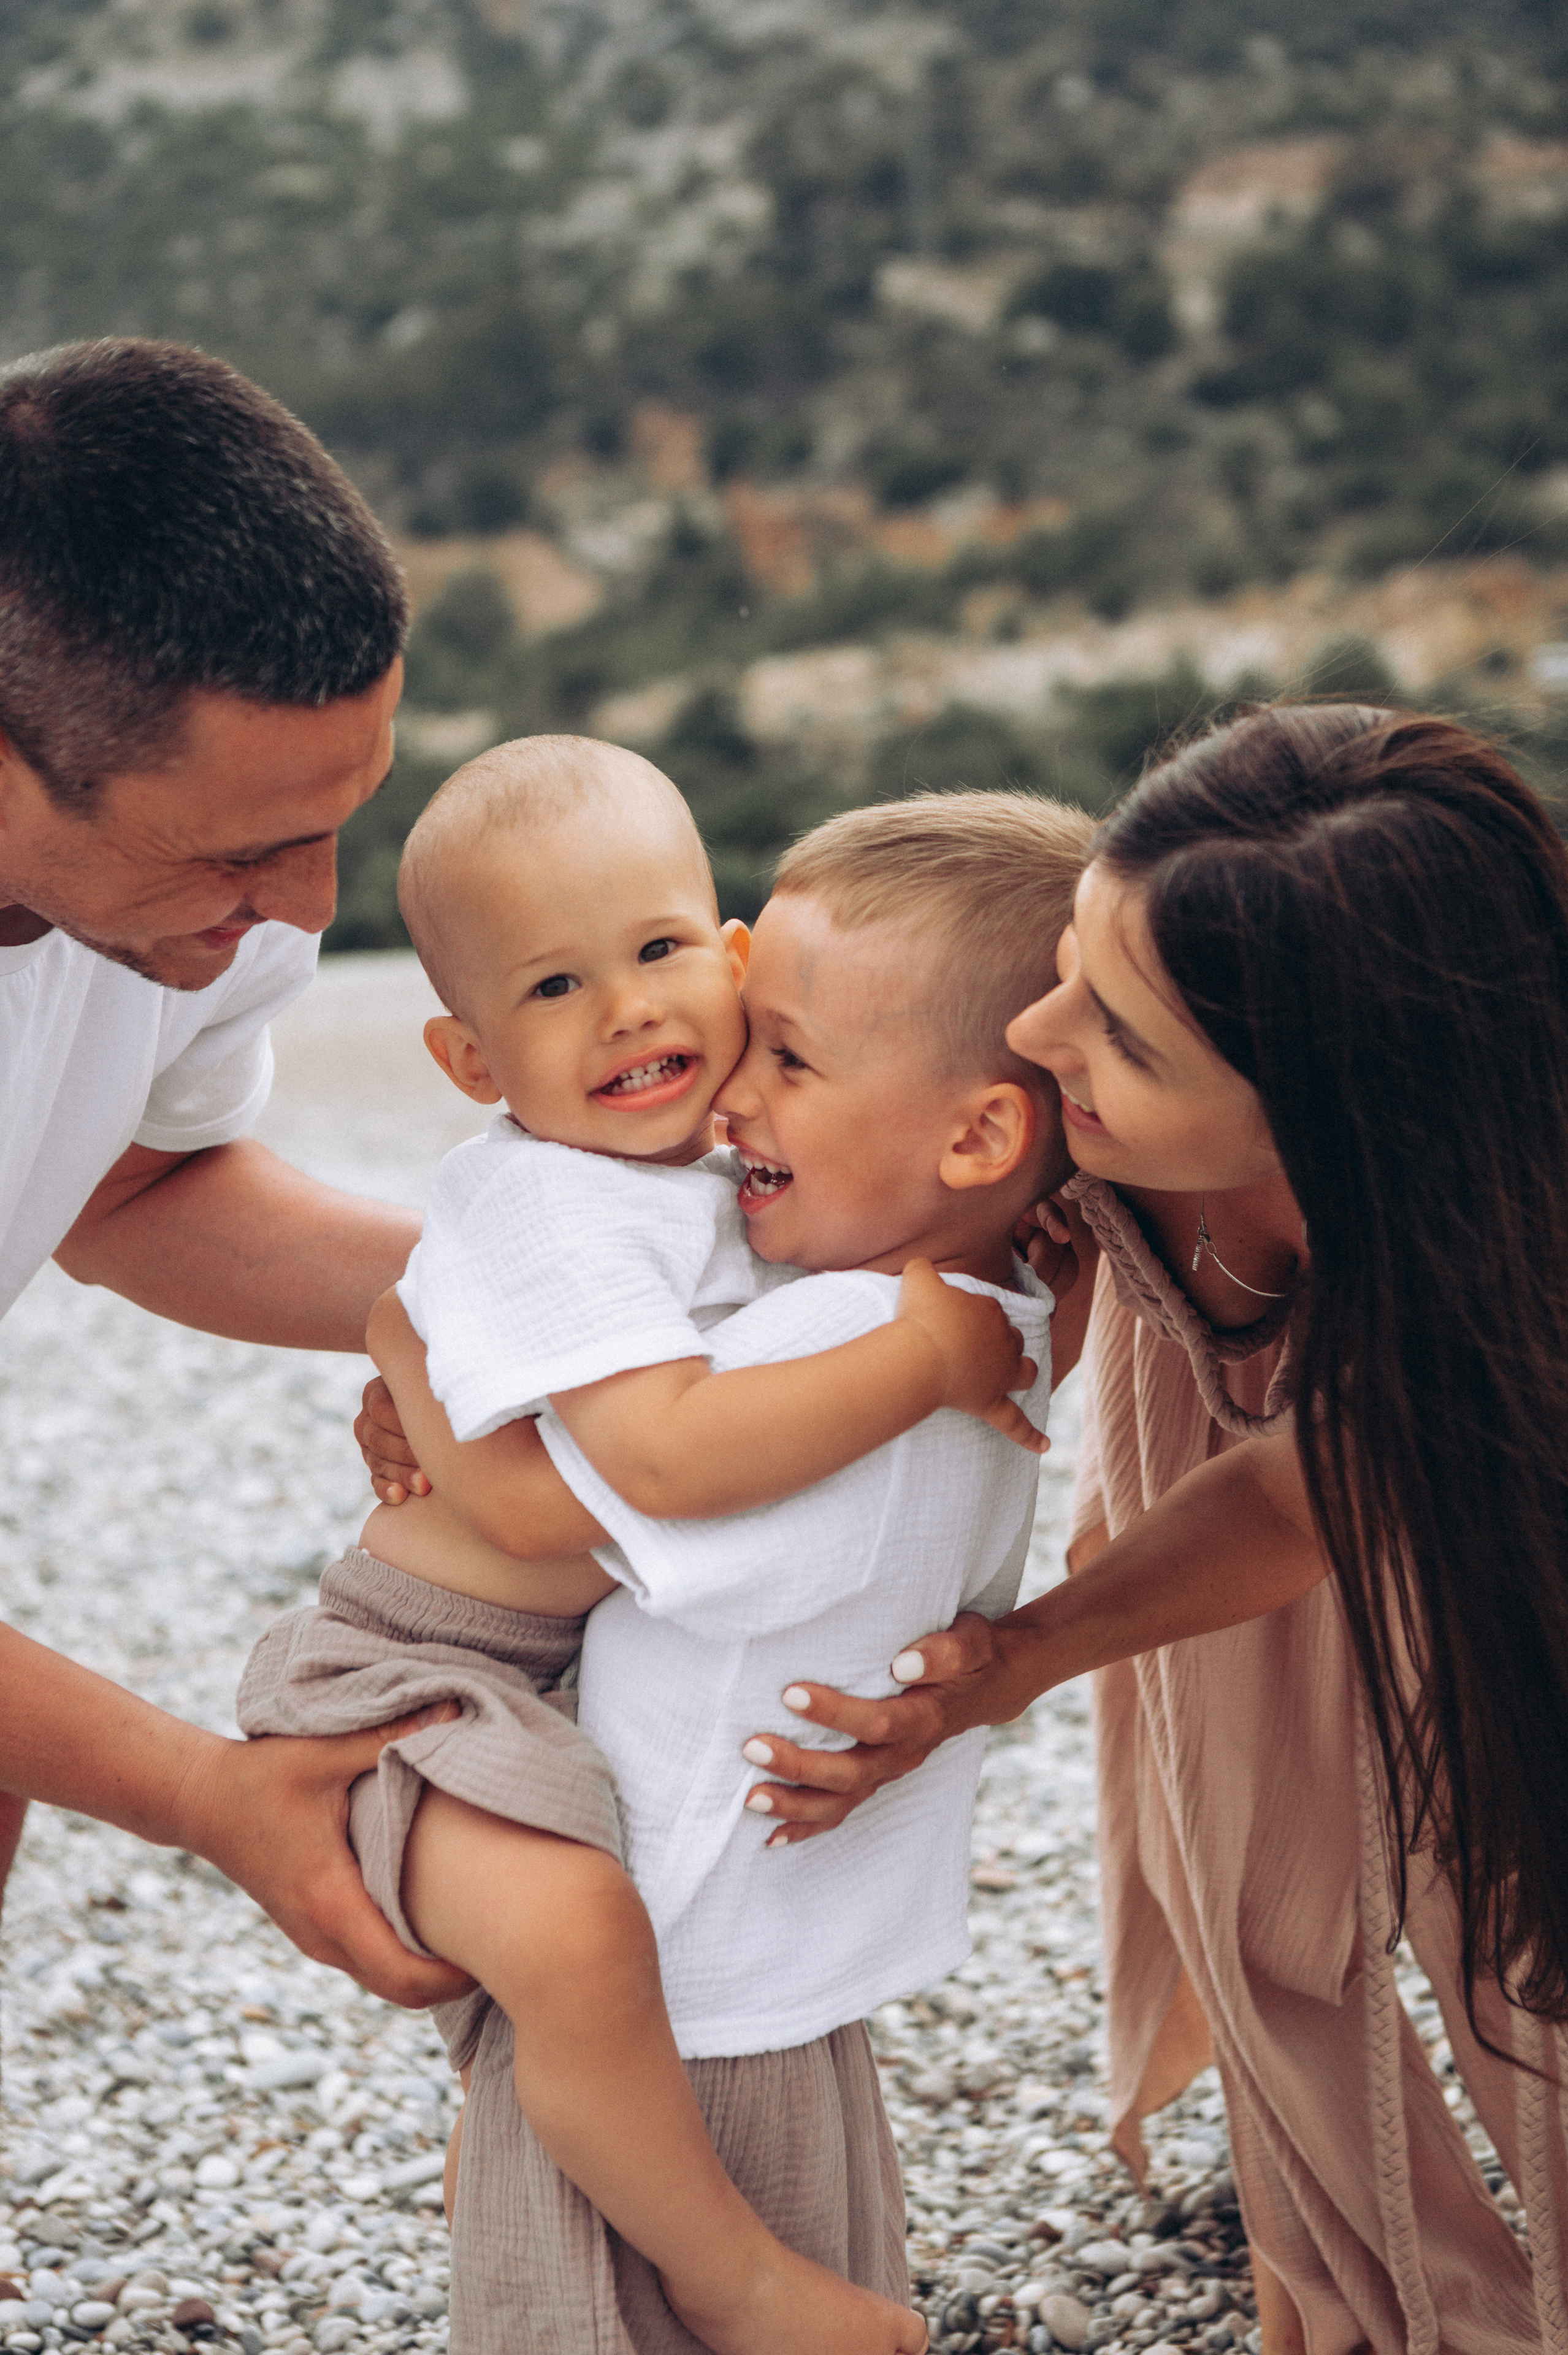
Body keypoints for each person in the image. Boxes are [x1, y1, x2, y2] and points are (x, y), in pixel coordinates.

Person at [735, 705, 1568, 2353]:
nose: (1038, 1033)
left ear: (1321, 1120)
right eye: (1070, 961)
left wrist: (1018, 1657)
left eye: (1115, 1033)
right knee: (1241, 1851)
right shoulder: (1068, 1129)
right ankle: (1325, 2273)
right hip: (1203, 1483)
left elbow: (1313, 1491)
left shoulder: (1505, 1240)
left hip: (1478, 1475)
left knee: (1507, 1867)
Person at [244, 764, 1092, 2354]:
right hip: (419, 1674)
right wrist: (927, 1353)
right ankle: (728, 2274)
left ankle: (556, 2166)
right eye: (555, 987)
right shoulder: (548, 1199)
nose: (626, 1013)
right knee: (577, 1935)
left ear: (735, 955)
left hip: (539, 1675)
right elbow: (603, 1489)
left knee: (576, 1961)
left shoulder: (717, 1162)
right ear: (470, 1059)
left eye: (655, 955)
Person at [0, 334, 465, 2010]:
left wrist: (536, 1302)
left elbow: (132, 1196)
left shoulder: (182, 923)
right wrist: (214, 1798)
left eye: (343, 817)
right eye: (243, 849)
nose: (311, 906)